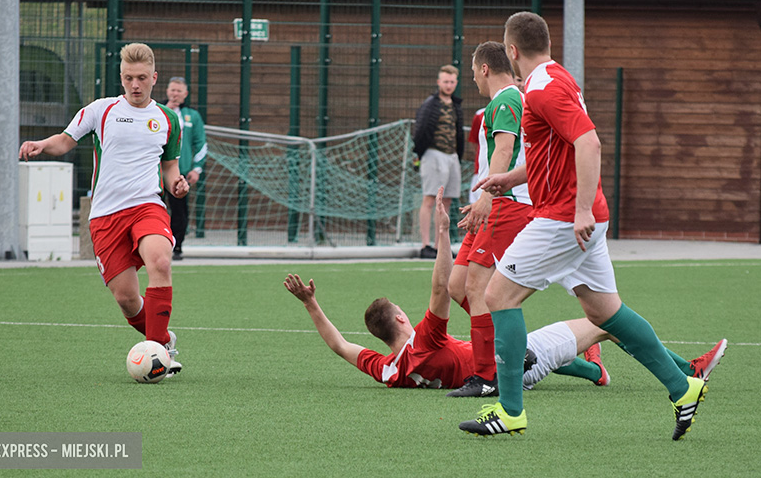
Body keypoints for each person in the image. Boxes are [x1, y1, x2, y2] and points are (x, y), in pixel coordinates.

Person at [460, 12, 712, 440]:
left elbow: (588, 143)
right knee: (604, 312)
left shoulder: (542, 88)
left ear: (512, 51)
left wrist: (579, 212)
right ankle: (682, 385)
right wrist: (512, 178)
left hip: (564, 218)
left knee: (497, 295)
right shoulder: (557, 78)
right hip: (578, 215)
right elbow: (554, 151)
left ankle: (510, 411)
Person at [284, 188, 727, 393]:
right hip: (510, 368)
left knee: (529, 337)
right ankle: (689, 371)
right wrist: (443, 232)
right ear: (401, 319)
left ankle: (595, 372)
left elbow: (339, 345)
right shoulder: (424, 341)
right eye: (403, 310)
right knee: (604, 321)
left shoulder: (387, 369)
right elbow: (441, 288)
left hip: (501, 360)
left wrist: (310, 303)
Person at [19, 43, 187, 376]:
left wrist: (177, 184)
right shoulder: (101, 110)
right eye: (128, 78)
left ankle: (159, 355)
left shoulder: (168, 119)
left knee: (160, 261)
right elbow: (65, 141)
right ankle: (164, 338)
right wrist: (41, 145)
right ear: (121, 78)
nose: (135, 85)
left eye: (142, 78)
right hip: (106, 215)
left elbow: (170, 168)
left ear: (154, 78)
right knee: (126, 299)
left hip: (147, 206)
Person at [446, 42, 532, 397]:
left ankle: (486, 377)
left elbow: (506, 148)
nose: (473, 80)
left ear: (484, 69)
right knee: (457, 285)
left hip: (506, 203)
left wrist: (487, 197)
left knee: (477, 286)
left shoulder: (506, 99)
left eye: (472, 72)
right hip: (494, 203)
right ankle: (512, 347)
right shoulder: (507, 100)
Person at [413, 65, 464, 259]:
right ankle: (426, 245)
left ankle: (440, 245)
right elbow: (420, 129)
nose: (448, 85)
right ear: (439, 82)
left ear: (456, 83)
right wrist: (419, 154)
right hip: (433, 154)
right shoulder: (430, 104)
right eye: (445, 81)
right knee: (430, 199)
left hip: (452, 156)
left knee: (447, 200)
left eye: (452, 82)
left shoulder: (455, 105)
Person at [165, 77, 208, 261]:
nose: (175, 94)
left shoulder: (192, 116)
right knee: (154, 208)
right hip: (155, 172)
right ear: (167, 91)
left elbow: (201, 144)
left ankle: (177, 246)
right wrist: (167, 109)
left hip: (179, 173)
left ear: (185, 94)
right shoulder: (157, 110)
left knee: (179, 211)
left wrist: (196, 169)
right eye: (172, 90)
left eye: (179, 91)